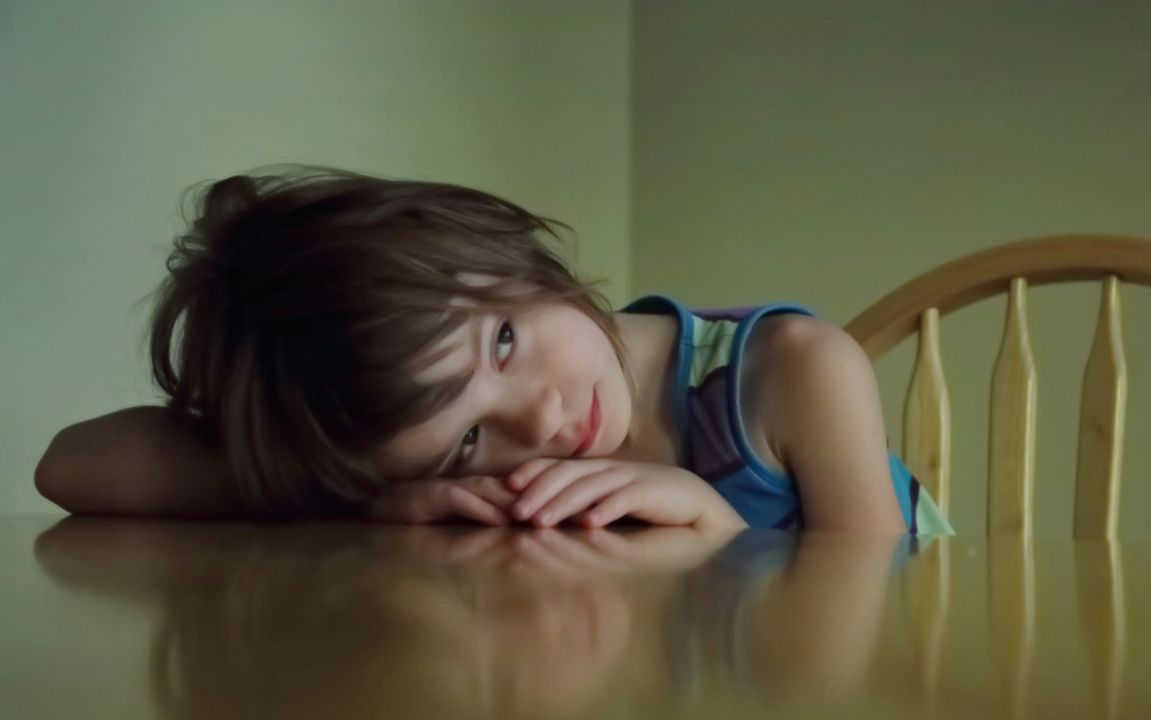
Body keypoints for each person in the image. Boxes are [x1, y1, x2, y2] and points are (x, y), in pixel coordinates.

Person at [34, 165, 953, 535]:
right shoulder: (426, 464)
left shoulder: (792, 370)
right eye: (468, 440)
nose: (540, 418)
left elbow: (864, 626)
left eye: (505, 342)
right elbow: (71, 466)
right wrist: (360, 478)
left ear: (499, 249)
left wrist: (712, 521)